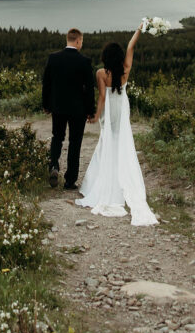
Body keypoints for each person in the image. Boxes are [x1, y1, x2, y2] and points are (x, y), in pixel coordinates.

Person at [75, 25, 157, 226]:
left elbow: (103, 96)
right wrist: (140, 29)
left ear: (105, 56)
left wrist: (95, 115)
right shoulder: (125, 70)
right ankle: (123, 179)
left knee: (107, 140)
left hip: (110, 110)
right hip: (122, 109)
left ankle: (105, 181)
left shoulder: (101, 73)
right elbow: (131, 46)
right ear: (119, 57)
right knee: (121, 140)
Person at [42, 27, 95, 190]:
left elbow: (46, 84)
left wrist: (46, 105)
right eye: (81, 42)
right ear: (78, 41)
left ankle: (54, 167)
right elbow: (90, 89)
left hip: (58, 107)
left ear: (68, 40)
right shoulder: (84, 61)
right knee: (75, 142)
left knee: (57, 137)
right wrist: (90, 111)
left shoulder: (53, 58)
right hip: (78, 110)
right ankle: (70, 180)